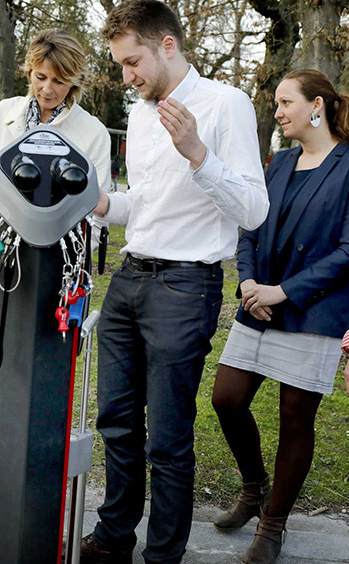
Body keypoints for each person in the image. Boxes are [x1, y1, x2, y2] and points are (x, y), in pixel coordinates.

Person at [81, 2, 269, 563]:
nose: (126, 76)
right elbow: (147, 201)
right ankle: (115, 537)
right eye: (119, 64)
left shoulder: (225, 105)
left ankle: (162, 554)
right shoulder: (140, 114)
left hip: (186, 288)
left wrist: (199, 155)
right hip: (128, 280)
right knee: (115, 422)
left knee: (167, 438)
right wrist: (103, 204)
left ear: (167, 46)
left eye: (132, 61)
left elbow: (254, 210)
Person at [211, 69, 349, 564]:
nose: (277, 111)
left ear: (317, 106)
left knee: (295, 417)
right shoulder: (279, 163)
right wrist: (249, 283)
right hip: (258, 303)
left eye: (285, 101)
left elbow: (347, 252)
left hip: (313, 310)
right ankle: (254, 488)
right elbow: (249, 225)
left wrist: (284, 291)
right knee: (226, 398)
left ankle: (273, 524)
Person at [0, 28, 111, 411]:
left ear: (74, 80)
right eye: (40, 77)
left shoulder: (93, 134)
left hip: (53, 267)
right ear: (29, 71)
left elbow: (95, 210)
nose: (48, 89)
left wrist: (80, 258)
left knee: (44, 365)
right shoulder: (2, 116)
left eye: (60, 80)